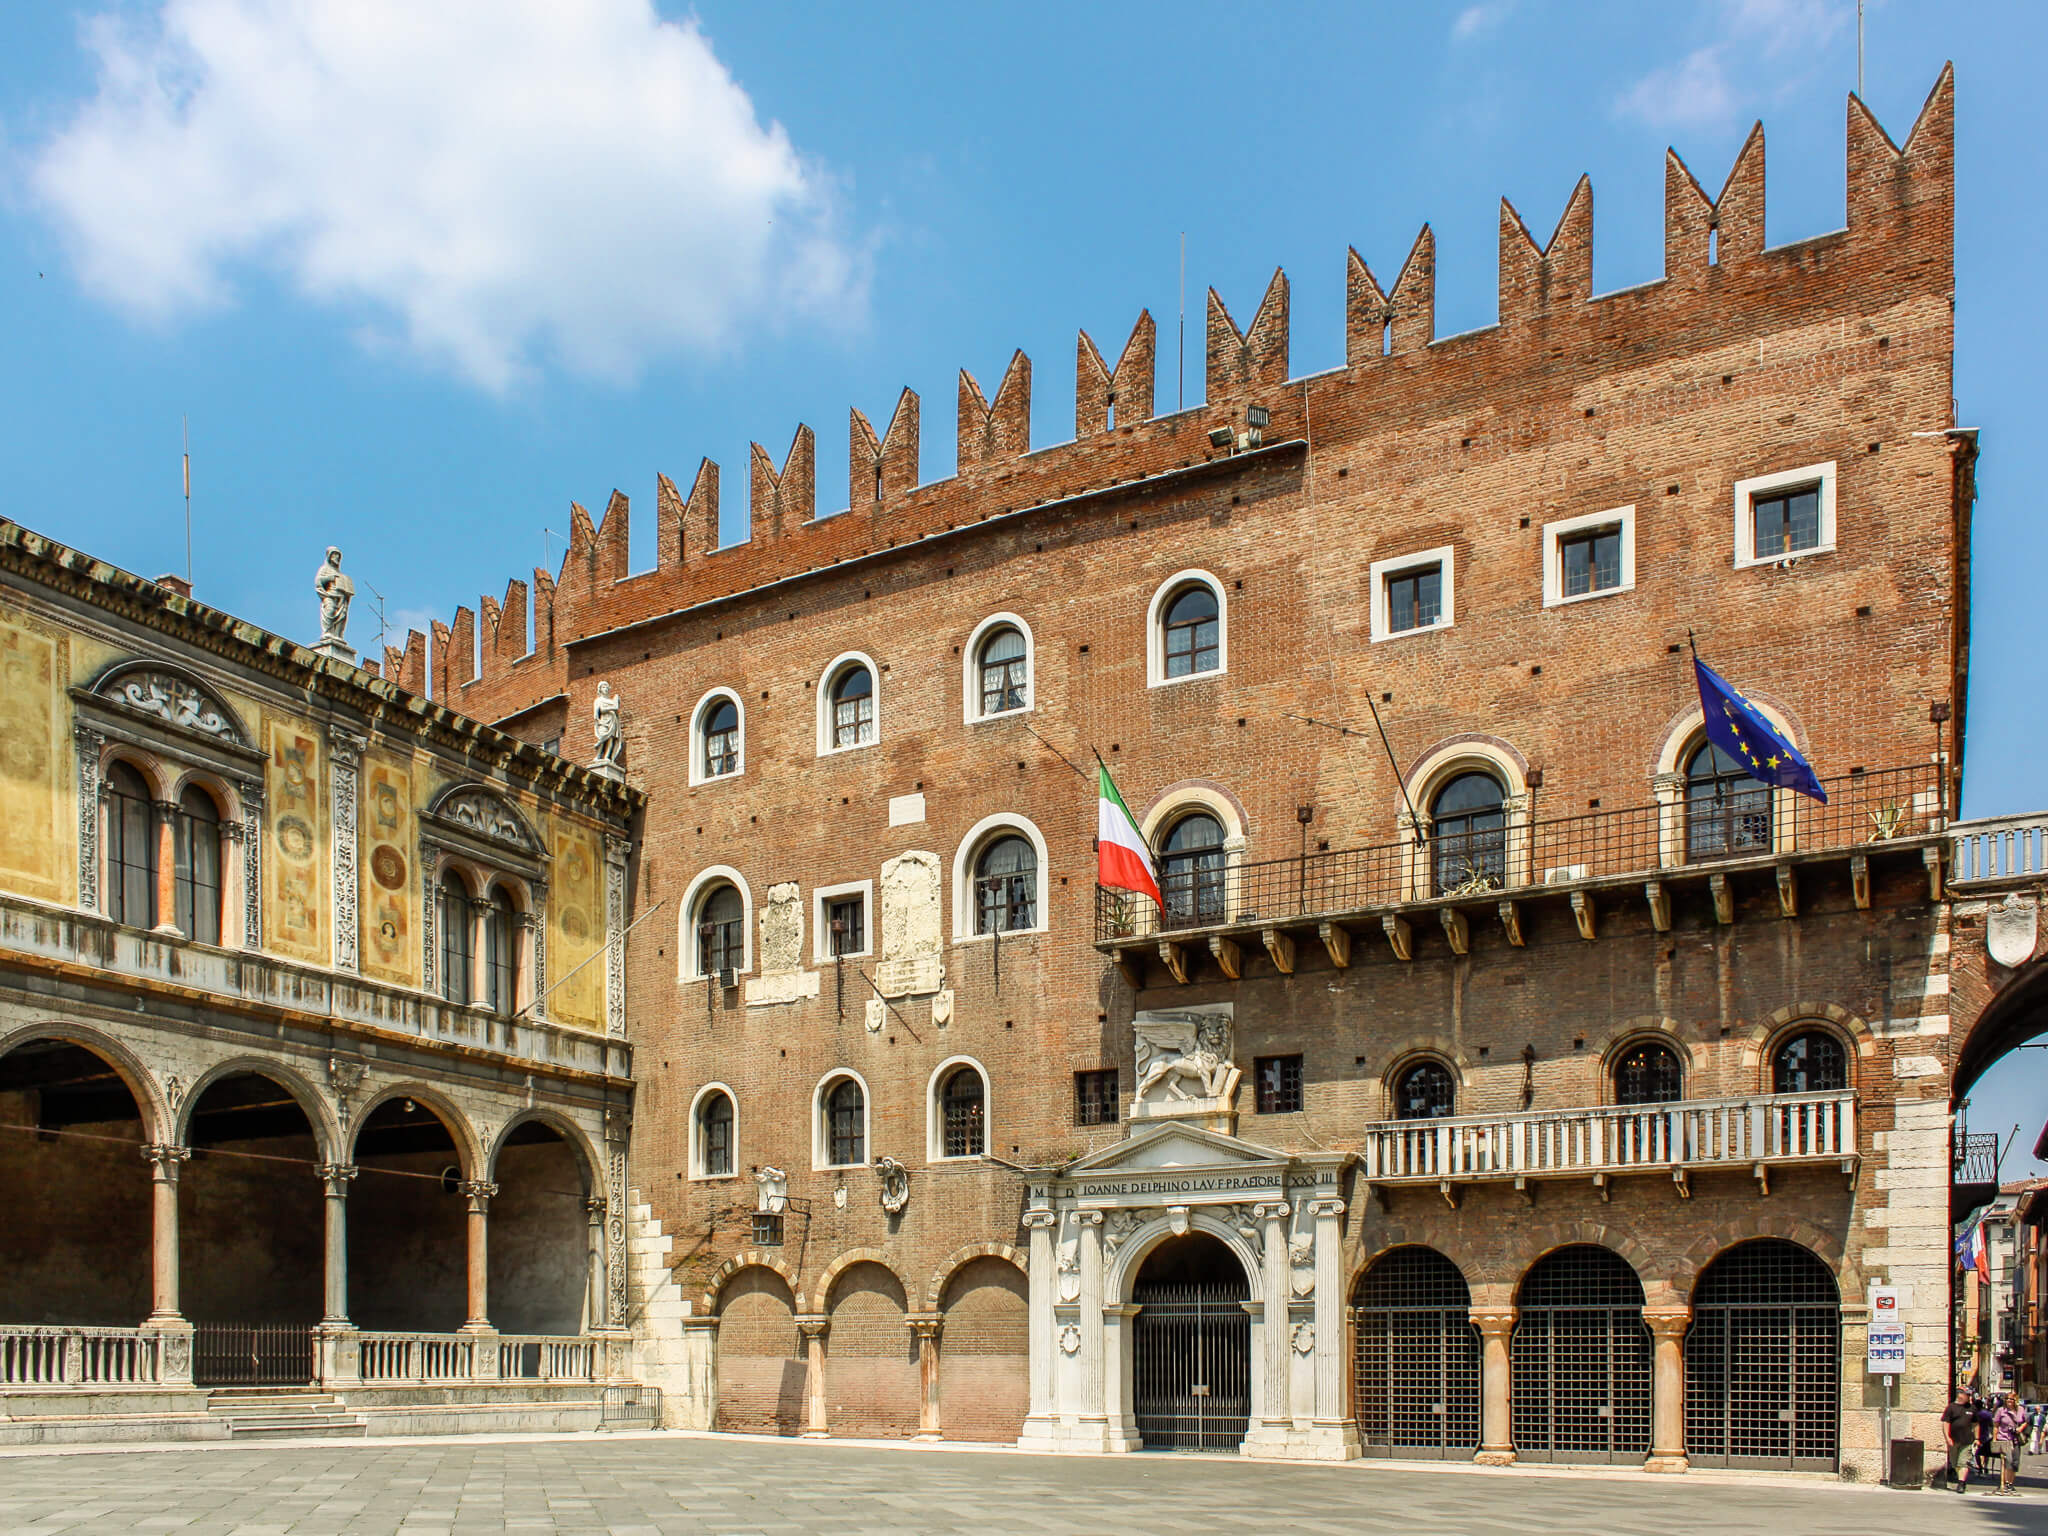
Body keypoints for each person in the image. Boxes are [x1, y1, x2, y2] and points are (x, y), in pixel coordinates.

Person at [1944, 1386, 1979, 1493]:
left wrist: (1977, 1438)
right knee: (1955, 1463)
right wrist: (1947, 1437)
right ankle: (1961, 1479)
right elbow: (1946, 1423)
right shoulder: (1951, 1408)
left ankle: (1961, 1483)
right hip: (1954, 1440)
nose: (1969, 1397)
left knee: (1963, 1462)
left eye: (1969, 1395)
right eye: (1967, 1394)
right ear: (1960, 1395)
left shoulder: (1972, 1408)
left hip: (1967, 1440)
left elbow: (1976, 1424)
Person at [1993, 1391, 2027, 1495]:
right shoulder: (2001, 1410)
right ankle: (2005, 1483)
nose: (2009, 1401)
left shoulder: (2021, 1410)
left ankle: (2010, 1484)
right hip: (2004, 1438)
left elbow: (2026, 1421)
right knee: (2008, 1460)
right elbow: (1996, 1425)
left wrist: (2020, 1428)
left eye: (2011, 1399)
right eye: (2007, 1398)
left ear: (2015, 1400)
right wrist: (1995, 1439)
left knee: (2015, 1463)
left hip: (2015, 1439)